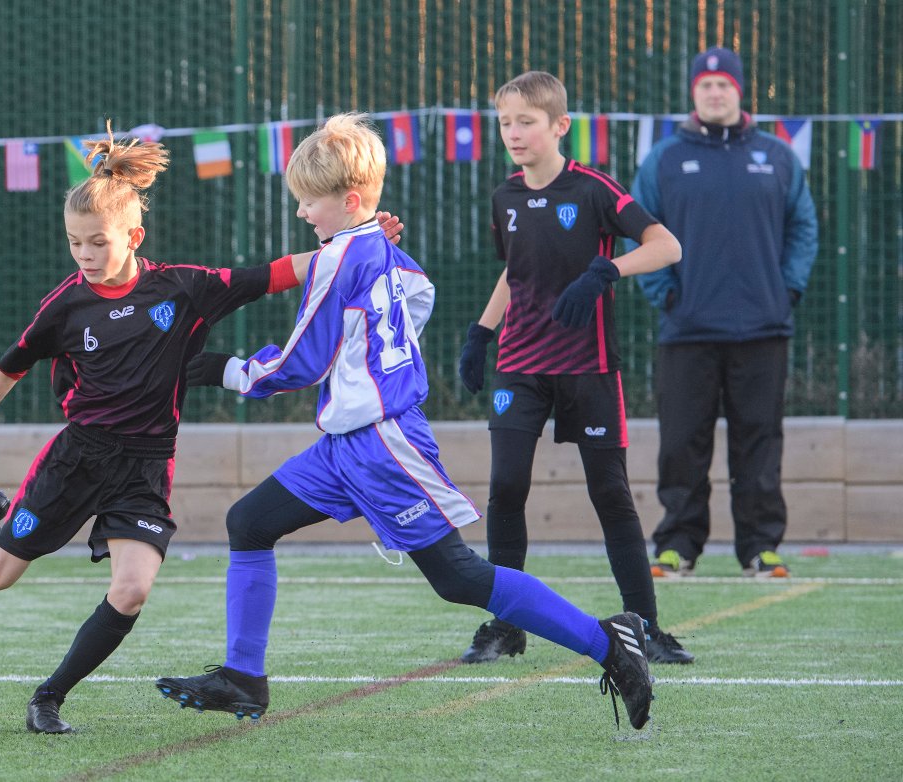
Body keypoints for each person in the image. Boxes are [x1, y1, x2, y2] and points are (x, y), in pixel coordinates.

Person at [154, 112, 656, 731]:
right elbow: (419, 292)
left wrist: (218, 369)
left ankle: (611, 644)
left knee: (459, 577)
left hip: (382, 443)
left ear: (353, 200)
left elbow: (299, 361)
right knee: (249, 522)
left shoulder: (342, 256)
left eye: (309, 202)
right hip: (344, 445)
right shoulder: (377, 248)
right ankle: (242, 677)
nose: (302, 214)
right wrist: (374, 343)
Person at [0, 126, 402, 734]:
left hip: (146, 465)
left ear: (134, 236)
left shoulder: (183, 288)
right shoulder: (65, 305)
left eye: (97, 242)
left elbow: (280, 272)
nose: (84, 255)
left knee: (131, 591)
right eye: (74, 244)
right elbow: (10, 365)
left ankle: (48, 698)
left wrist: (359, 242)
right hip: (78, 457)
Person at [457, 71, 694, 666]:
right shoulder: (503, 196)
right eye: (505, 122)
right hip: (520, 365)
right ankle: (506, 625)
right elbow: (514, 273)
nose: (514, 132)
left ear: (559, 126)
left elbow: (667, 247)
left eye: (526, 122)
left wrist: (606, 271)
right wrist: (481, 333)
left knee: (609, 493)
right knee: (506, 488)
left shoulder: (593, 190)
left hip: (589, 368)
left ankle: (647, 629)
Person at [631, 47, 819, 580]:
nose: (716, 93)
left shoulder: (777, 156)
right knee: (681, 444)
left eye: (725, 85)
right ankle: (678, 545)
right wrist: (664, 293)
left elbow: (804, 227)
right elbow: (640, 230)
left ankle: (761, 548)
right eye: (706, 85)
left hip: (763, 328)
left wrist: (788, 290)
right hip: (687, 329)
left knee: (759, 442)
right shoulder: (664, 159)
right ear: (694, 93)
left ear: (740, 92)